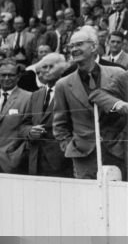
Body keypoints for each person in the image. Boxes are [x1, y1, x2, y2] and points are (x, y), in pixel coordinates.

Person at [53, 27, 128, 179]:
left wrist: (122, 143)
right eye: (71, 46)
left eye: (79, 44)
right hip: (83, 156)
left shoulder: (118, 74)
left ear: (94, 46)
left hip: (117, 153)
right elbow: (60, 125)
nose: (74, 49)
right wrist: (70, 146)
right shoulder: (63, 84)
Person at [24, 53, 73, 177]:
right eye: (43, 67)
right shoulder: (36, 95)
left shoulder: (69, 92)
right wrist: (29, 132)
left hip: (61, 160)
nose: (46, 71)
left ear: (62, 68)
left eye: (50, 67)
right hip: (35, 159)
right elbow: (23, 124)